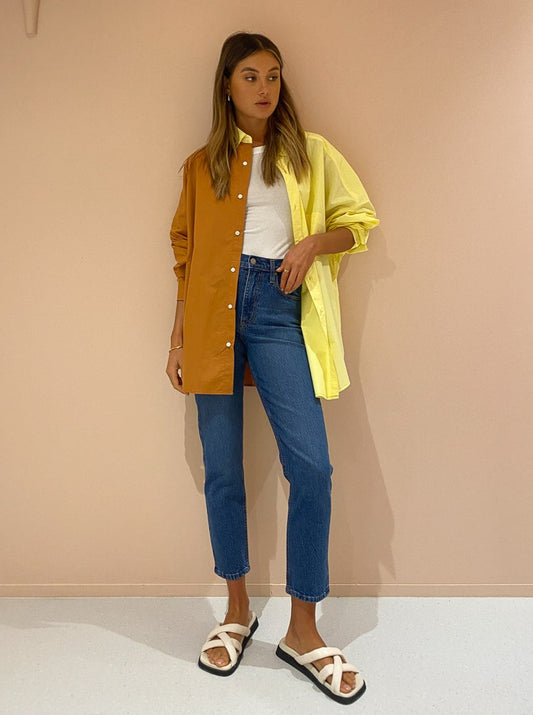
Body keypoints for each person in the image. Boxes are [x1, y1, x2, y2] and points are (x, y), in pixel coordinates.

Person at [166, 31, 379, 705]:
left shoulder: (309, 153)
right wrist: (178, 337)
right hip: (211, 317)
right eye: (250, 76)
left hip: (277, 310)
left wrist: (311, 243)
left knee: (311, 466)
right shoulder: (200, 166)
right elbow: (186, 258)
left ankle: (303, 630)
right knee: (222, 469)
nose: (264, 88)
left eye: (273, 75)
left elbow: (359, 221)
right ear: (227, 86)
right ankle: (236, 612)